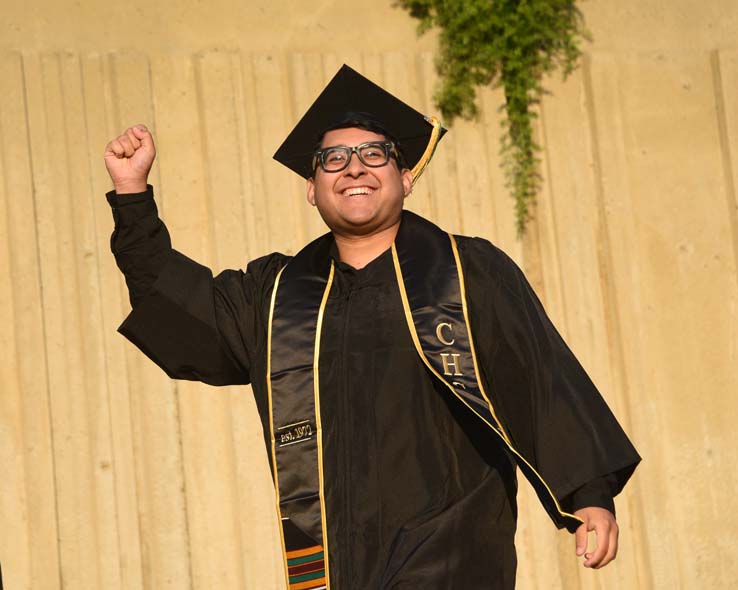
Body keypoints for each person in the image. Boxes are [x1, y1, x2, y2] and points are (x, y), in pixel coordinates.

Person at [104, 65, 640, 590]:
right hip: (337, 559)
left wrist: (588, 493)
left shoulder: (467, 272)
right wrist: (132, 196)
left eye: (374, 154)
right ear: (312, 188)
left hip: (453, 552)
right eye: (333, 159)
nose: (354, 168)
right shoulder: (276, 293)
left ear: (406, 178)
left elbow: (540, 375)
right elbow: (180, 303)